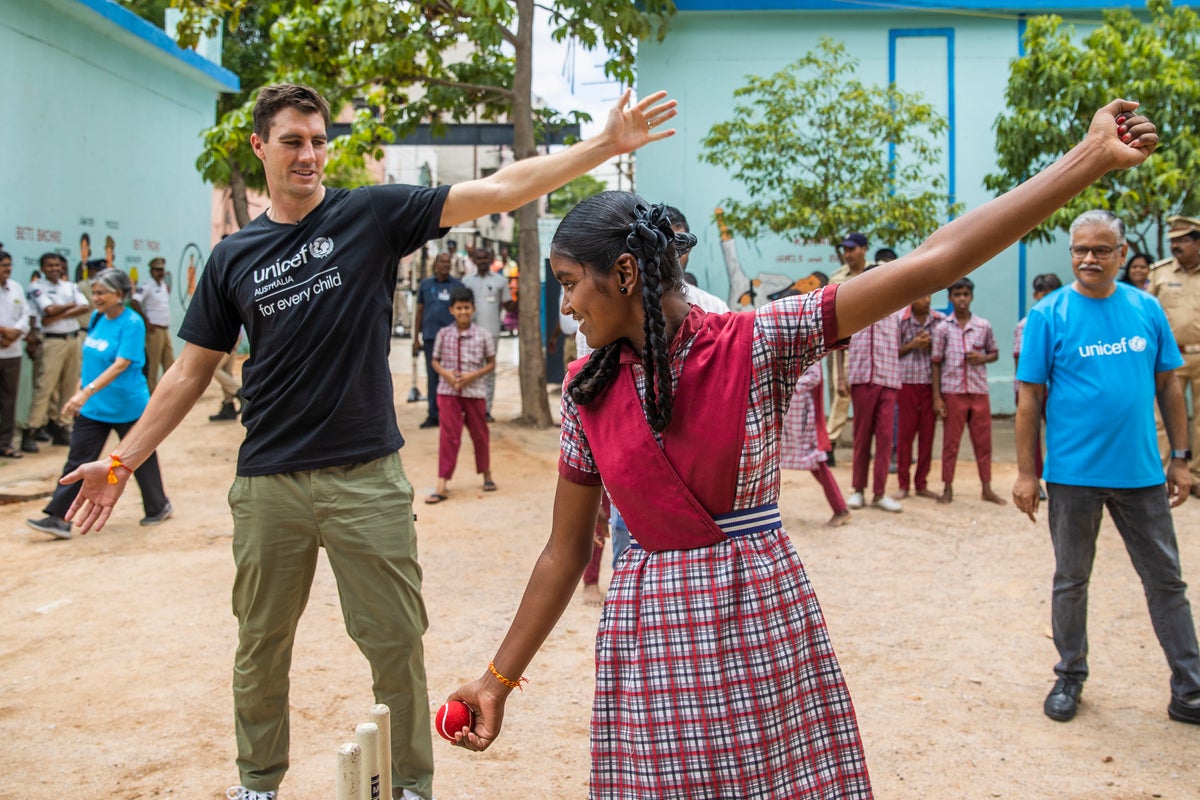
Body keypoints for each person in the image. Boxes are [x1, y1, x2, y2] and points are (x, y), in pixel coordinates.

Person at [442, 100, 1159, 799]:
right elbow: (563, 553)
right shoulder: (587, 393)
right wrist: (496, 680)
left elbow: (934, 260)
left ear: (625, 274)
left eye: (570, 284)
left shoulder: (756, 344)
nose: (565, 305)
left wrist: (1089, 157)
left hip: (757, 622)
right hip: (646, 640)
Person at [59, 82, 678, 800]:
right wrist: (122, 457)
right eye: (292, 140)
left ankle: (411, 784)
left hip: (367, 478)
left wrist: (605, 145)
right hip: (269, 483)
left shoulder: (370, 215)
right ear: (259, 147)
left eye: (319, 140)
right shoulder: (233, 258)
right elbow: (190, 373)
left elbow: (501, 187)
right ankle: (257, 783)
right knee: (260, 648)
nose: (310, 154)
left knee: (394, 643)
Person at [1013, 209, 1200, 727]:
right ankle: (1070, 675)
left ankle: (1190, 689)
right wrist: (1028, 473)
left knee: (1167, 583)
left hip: (1141, 476)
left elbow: (1170, 385)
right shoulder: (1049, 316)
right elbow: (1029, 399)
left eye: (1100, 250)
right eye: (1080, 250)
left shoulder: (1146, 310)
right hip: (1072, 477)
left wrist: (1180, 461)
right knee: (1071, 580)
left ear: (1122, 255)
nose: (1089, 259)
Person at [26, 269, 171, 539]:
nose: (96, 298)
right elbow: (91, 362)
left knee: (140, 457)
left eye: (101, 293)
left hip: (128, 406)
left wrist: (85, 392)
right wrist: (80, 393)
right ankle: (59, 518)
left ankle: (158, 505)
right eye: (93, 293)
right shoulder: (96, 318)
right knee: (78, 461)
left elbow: (121, 364)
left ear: (119, 294)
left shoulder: (133, 323)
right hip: (93, 408)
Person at [931, 277, 1006, 505]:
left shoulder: (983, 325)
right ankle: (947, 487)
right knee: (950, 443)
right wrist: (937, 397)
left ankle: (986, 487)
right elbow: (936, 361)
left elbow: (995, 352)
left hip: (978, 390)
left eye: (965, 294)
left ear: (971, 297)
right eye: (957, 295)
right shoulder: (943, 328)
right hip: (953, 391)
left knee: (983, 442)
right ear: (950, 298)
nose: (962, 299)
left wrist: (982, 358)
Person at [425, 287, 496, 504]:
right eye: (459, 308)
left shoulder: (483, 335)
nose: (463, 312)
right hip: (447, 392)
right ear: (452, 310)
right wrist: (446, 374)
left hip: (474, 392)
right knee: (449, 436)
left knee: (479, 433)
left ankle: (486, 474)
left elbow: (491, 363)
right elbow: (434, 361)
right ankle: (442, 483)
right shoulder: (443, 334)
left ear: (473, 309)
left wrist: (473, 375)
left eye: (466, 308)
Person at [843, 271, 903, 513]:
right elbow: (840, 345)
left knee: (885, 438)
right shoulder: (857, 308)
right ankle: (858, 489)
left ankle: (879, 493)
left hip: (888, 378)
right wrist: (841, 377)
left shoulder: (897, 309)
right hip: (861, 377)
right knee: (861, 436)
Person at [1148, 215, 1200, 493]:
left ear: (1197, 242)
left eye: (1182, 240)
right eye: (1172, 241)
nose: (1175, 246)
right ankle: (1159, 473)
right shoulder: (1160, 273)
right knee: (1161, 417)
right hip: (1170, 357)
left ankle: (1196, 475)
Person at [23, 252, 90, 452]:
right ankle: (32, 429)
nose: (54, 268)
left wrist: (55, 315)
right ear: (42, 268)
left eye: (57, 265)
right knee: (45, 388)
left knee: (70, 386)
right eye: (49, 265)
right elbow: (48, 310)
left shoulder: (70, 286)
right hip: (52, 342)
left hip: (72, 338)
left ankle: (62, 427)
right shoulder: (37, 287)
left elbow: (84, 306)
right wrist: (68, 307)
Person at [781, 361, 851, 526]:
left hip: (802, 412)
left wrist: (788, 384)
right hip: (787, 411)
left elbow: (814, 377)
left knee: (814, 459)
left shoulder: (809, 343)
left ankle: (840, 508)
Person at [1012, 272, 1063, 493]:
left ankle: (1058, 476)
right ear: (1035, 295)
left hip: (1057, 391)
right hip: (1032, 389)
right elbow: (1018, 359)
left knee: (1058, 432)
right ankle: (1034, 477)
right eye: (1043, 294)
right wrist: (1022, 391)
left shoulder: (1066, 322)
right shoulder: (1025, 324)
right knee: (1031, 434)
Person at [825, 231, 869, 463]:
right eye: (845, 249)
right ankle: (829, 444)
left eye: (852, 249)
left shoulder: (877, 272)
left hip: (874, 345)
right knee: (842, 393)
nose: (847, 254)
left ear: (864, 249)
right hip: (846, 345)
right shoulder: (837, 278)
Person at [895, 294, 944, 499]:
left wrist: (932, 345)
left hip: (929, 384)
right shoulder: (901, 320)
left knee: (927, 436)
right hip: (906, 383)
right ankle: (903, 484)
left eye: (929, 295)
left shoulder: (940, 321)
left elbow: (945, 353)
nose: (927, 300)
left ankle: (921, 483)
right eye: (922, 296)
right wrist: (914, 344)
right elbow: (892, 352)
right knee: (905, 436)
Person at [412, 252, 463, 429]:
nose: (446, 265)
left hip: (452, 340)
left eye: (448, 262)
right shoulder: (426, 285)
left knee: (452, 377)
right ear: (436, 264)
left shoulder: (457, 286)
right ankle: (433, 415)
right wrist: (415, 338)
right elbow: (420, 311)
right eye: (442, 262)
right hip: (430, 337)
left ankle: (452, 415)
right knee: (432, 377)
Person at [461, 247, 507, 419]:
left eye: (484, 258)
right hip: (469, 333)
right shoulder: (465, 281)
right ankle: (470, 409)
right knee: (469, 368)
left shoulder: (500, 281)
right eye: (478, 258)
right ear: (474, 260)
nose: (481, 261)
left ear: (490, 259)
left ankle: (486, 410)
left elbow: (507, 304)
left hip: (491, 332)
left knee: (489, 371)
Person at [0, 250, 30, 457]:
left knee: (9, 401)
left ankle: (5, 444)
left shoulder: (16, 288)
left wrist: (14, 333)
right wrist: (3, 331)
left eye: (9, 265)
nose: (8, 269)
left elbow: (25, 315)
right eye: (4, 266)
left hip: (13, 352)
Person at [132, 256, 174, 392]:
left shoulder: (163, 285)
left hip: (165, 329)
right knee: (153, 366)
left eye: (161, 269)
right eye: (156, 269)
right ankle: (151, 395)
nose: (160, 272)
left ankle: (169, 392)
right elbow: (134, 301)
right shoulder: (147, 285)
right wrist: (146, 322)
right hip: (154, 330)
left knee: (170, 364)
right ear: (151, 271)